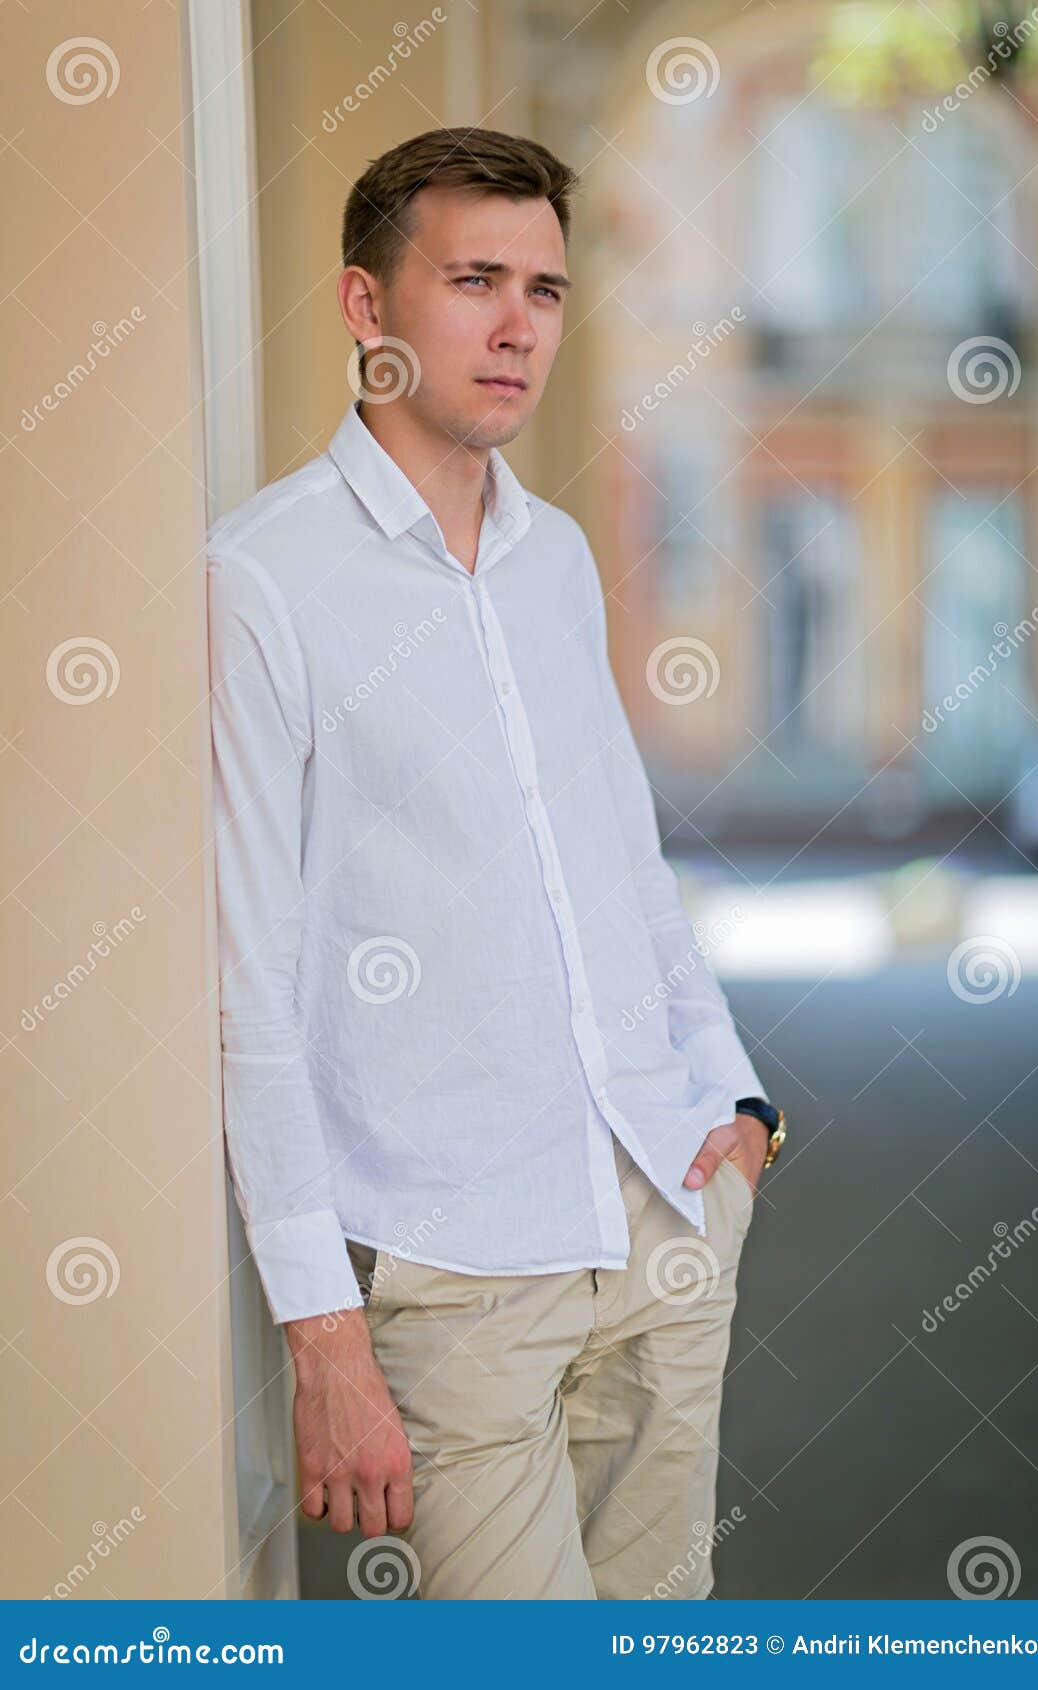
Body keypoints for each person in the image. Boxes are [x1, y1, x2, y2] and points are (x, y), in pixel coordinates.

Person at [206, 125, 786, 1601]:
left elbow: (624, 861)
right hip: (451, 1267)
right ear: (365, 308)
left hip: (658, 1211)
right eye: (474, 280)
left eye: (545, 286)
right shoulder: (261, 582)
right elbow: (247, 977)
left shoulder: (560, 557)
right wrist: (319, 1326)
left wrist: (735, 1096)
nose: (518, 323)